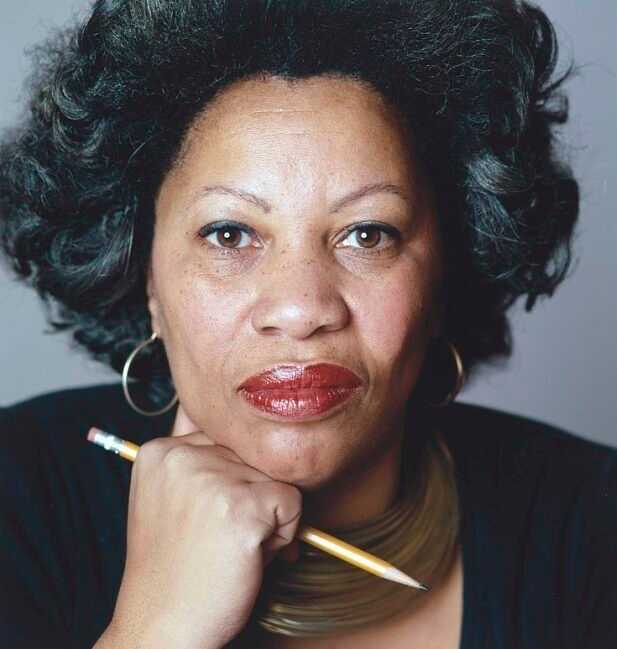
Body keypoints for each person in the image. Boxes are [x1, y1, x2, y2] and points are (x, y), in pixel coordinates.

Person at [0, 1, 615, 647]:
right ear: (145, 273)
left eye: (366, 233)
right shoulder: (17, 496)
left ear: (442, 275)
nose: (300, 309)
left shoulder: (593, 524)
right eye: (229, 233)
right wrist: (158, 626)